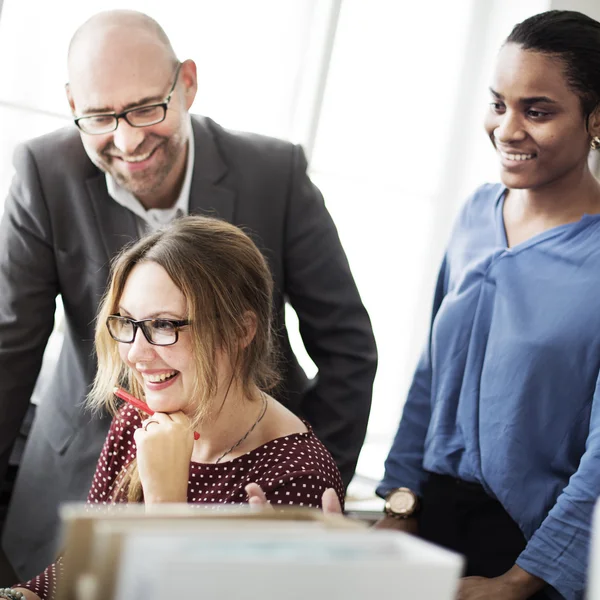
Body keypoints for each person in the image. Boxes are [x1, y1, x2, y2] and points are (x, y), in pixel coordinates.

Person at [0, 9, 377, 579]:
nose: (126, 139)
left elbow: (348, 346)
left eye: (147, 108)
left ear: (188, 85)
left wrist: (303, 489)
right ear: (74, 105)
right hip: (82, 468)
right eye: (101, 116)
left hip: (244, 477)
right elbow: (8, 349)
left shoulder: (274, 174)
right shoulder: (41, 170)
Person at [374, 9, 600, 600]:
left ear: (596, 119)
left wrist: (520, 582)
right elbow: (430, 374)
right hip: (429, 525)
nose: (508, 128)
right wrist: (400, 505)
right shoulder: (476, 212)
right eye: (499, 103)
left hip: (531, 551)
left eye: (539, 110)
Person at [2, 215, 345, 600]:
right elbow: (86, 571)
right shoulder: (140, 419)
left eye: (164, 325)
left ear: (240, 330)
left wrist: (165, 505)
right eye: (127, 322)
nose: (135, 353)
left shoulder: (297, 478)